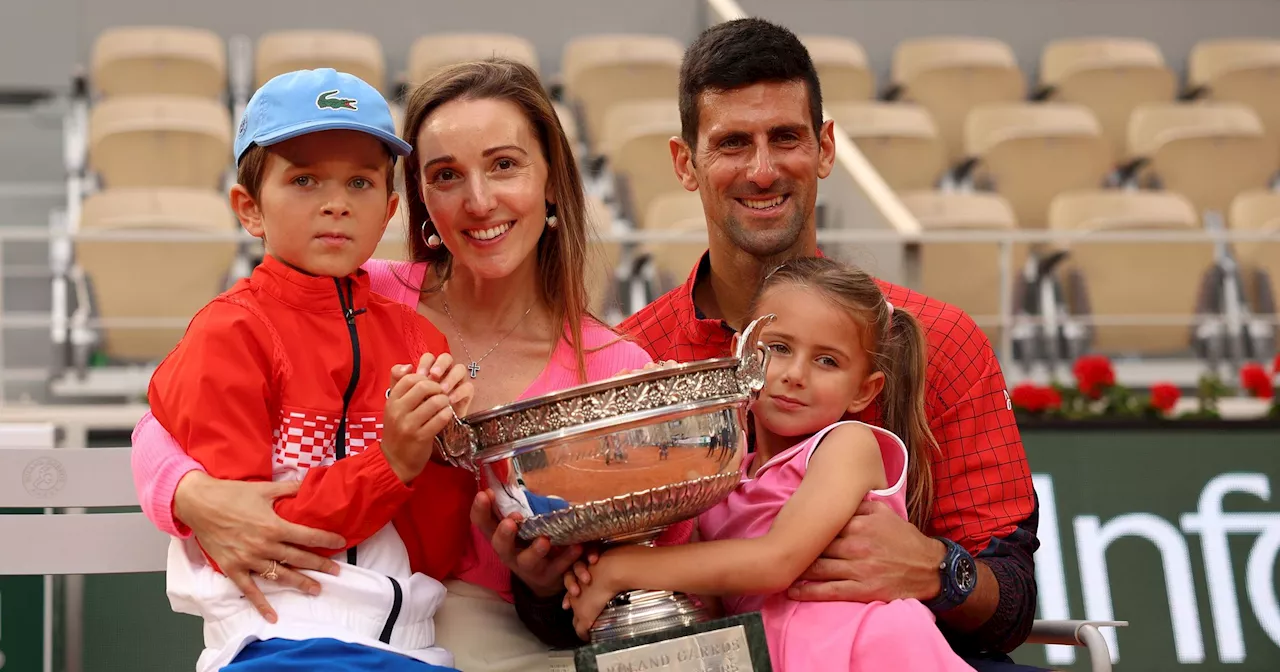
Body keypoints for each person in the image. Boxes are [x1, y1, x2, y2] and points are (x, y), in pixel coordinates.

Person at [503, 17, 1043, 671]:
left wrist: (937, 569)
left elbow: (1012, 605)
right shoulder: (631, 359)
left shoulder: (939, 338)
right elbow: (578, 608)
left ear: (824, 148)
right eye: (732, 143)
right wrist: (540, 583)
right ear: (685, 163)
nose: (762, 170)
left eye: (785, 138)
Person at [130, 59, 655, 671]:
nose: (479, 200)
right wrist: (189, 494)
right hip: (299, 625)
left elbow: (630, 584)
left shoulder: (616, 366)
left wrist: (534, 578)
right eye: (446, 174)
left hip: (477, 631)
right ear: (418, 201)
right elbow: (165, 419)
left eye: (504, 165)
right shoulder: (349, 287)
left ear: (554, 181)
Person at [147, 67, 478, 671]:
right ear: (249, 209)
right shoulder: (229, 332)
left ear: (389, 211)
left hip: (413, 646)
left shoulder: (417, 336)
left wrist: (446, 451)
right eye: (303, 180)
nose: (335, 203)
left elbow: (437, 548)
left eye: (359, 182)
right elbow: (252, 539)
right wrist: (393, 462)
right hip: (276, 641)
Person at [564, 257, 975, 671]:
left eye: (827, 360)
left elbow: (777, 562)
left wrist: (625, 569)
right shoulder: (719, 477)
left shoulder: (848, 445)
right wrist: (608, 591)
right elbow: (709, 603)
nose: (795, 374)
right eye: (778, 348)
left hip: (878, 653)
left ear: (863, 391)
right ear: (740, 354)